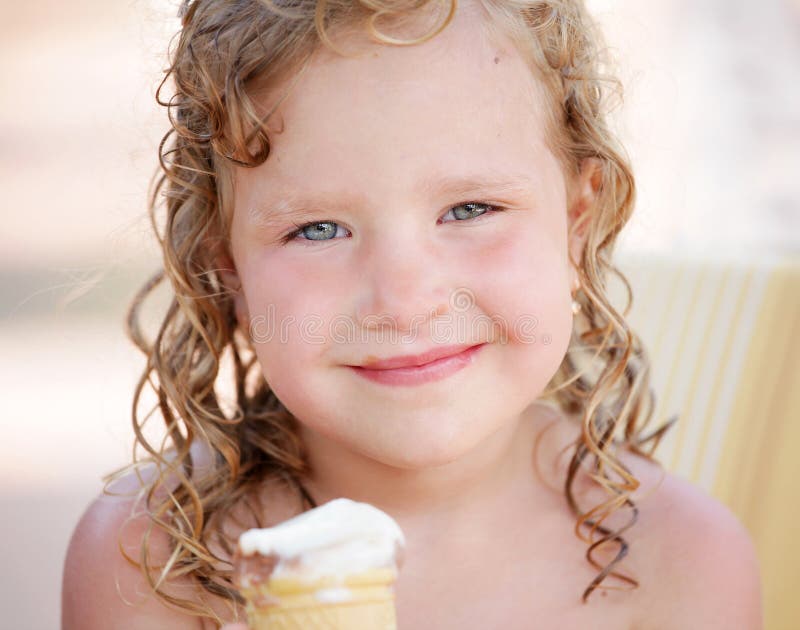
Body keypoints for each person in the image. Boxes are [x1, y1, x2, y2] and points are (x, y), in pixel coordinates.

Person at [62, 0, 764, 628]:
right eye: (317, 229)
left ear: (577, 225)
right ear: (227, 269)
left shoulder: (683, 564)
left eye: (470, 209)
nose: (403, 300)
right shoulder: (147, 567)